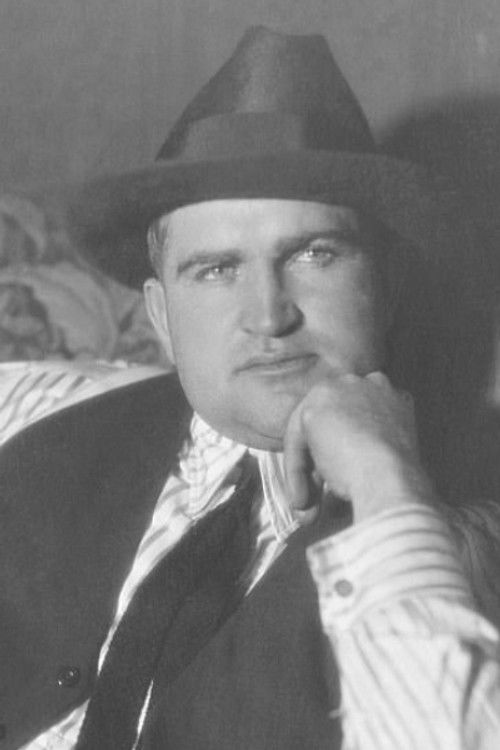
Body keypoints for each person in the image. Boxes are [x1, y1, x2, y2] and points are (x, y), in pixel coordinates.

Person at [1, 25, 500, 750]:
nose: (269, 315)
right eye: (216, 270)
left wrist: (384, 480)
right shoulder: (45, 410)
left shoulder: (464, 522)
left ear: (386, 287)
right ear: (160, 316)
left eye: (314, 254)